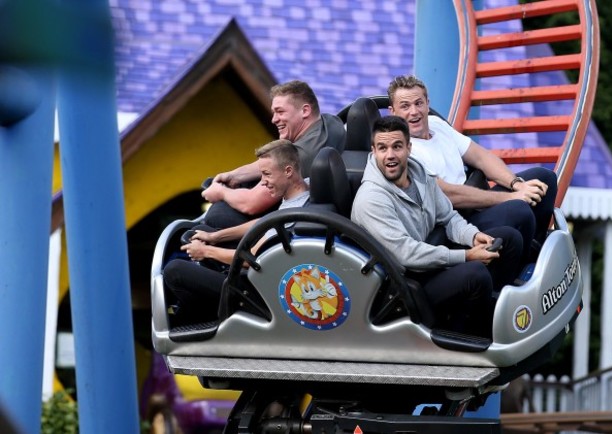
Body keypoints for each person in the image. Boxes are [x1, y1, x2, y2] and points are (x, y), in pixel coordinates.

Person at [350, 116, 523, 337]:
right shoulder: (371, 199)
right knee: (476, 274)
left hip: (429, 263)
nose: (390, 155)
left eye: (397, 147)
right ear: (373, 151)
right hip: (403, 285)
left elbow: (448, 216)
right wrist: (467, 255)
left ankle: (491, 318)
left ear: (409, 148)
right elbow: (406, 255)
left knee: (508, 239)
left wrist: (473, 236)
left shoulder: (419, 173)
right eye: (382, 148)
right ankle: (467, 341)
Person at [386, 75, 557, 262]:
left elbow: (481, 157)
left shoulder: (436, 124)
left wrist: (516, 184)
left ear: (427, 104)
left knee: (545, 178)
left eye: (419, 103)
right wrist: (511, 197)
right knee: (519, 210)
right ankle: (523, 268)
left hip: (476, 203)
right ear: (393, 112)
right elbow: (447, 194)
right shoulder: (402, 151)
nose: (414, 112)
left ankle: (535, 254)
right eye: (405, 106)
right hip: (453, 222)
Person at [164, 139, 310, 325]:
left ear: (288, 171)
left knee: (174, 270)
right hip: (265, 265)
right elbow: (263, 223)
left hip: (256, 290)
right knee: (202, 231)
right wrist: (214, 237)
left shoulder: (288, 221)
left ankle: (206, 320)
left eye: (267, 175)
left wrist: (206, 251)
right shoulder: (304, 188)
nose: (263, 183)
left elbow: (251, 259)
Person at [200, 80, 345, 229]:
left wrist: (221, 192)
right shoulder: (330, 123)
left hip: (293, 223)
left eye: (280, 112)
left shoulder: (304, 156)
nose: (274, 119)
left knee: (217, 217)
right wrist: (234, 175)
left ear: (305, 110)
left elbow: (251, 203)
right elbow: (275, 161)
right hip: (313, 209)